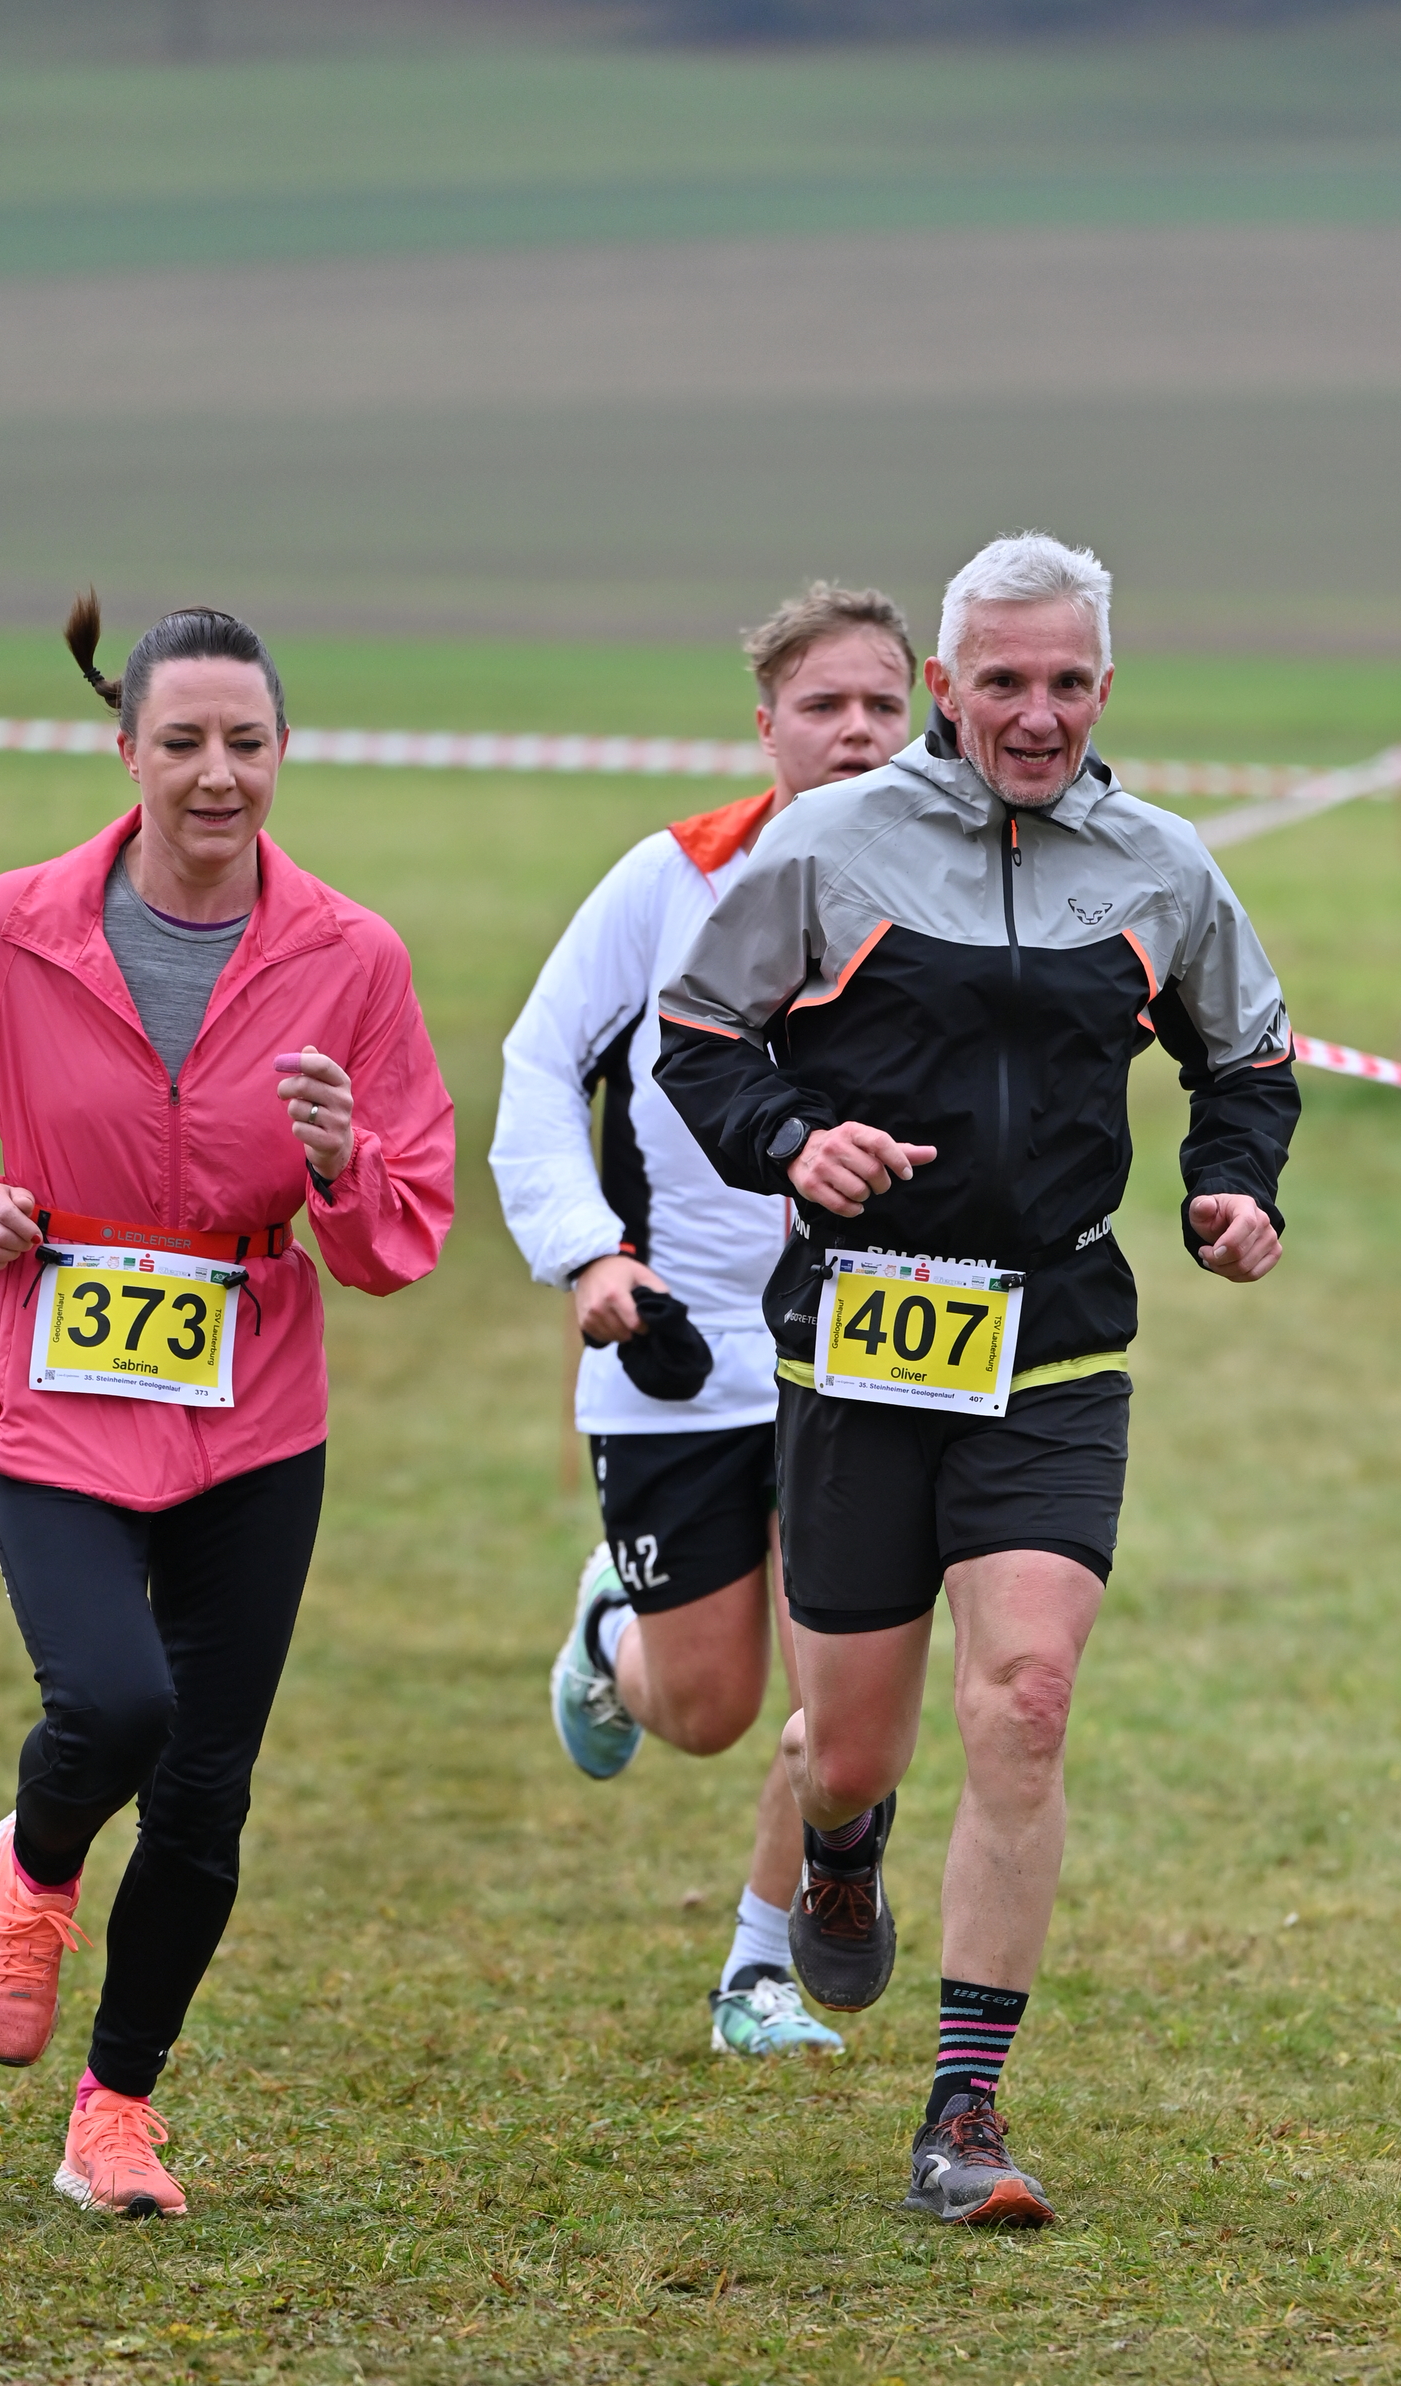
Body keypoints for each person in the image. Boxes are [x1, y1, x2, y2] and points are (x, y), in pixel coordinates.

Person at [656, 532, 1297, 2226]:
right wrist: (793, 1143)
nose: (1036, 713)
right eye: (1002, 681)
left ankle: (965, 2111)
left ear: (1107, 687)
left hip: (1056, 1342)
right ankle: (839, 1846)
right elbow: (699, 1037)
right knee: (849, 1748)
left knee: (1025, 1699)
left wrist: (1235, 1187)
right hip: (862, 1344)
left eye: (1067, 682)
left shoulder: (1160, 866)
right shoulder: (831, 843)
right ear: (946, 687)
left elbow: (1249, 1056)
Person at [0, 595, 454, 2219]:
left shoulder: (355, 957)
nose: (215, 773)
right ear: (125, 750)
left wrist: (339, 1161)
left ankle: (114, 2111)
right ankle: (36, 1863)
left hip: (254, 1414)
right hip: (51, 1385)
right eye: (181, 740)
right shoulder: (13, 930)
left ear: (284, 750)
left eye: (245, 741)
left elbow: (403, 1230)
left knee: (203, 1787)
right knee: (116, 1705)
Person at [490, 583, 916, 2061]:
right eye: (824, 705)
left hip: (863, 1343)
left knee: (843, 1699)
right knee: (708, 1707)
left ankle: (758, 1969)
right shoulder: (669, 880)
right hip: (674, 1339)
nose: (857, 731)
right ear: (767, 726)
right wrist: (586, 1256)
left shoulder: (955, 882)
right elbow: (539, 1067)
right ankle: (610, 1630)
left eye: (883, 704)